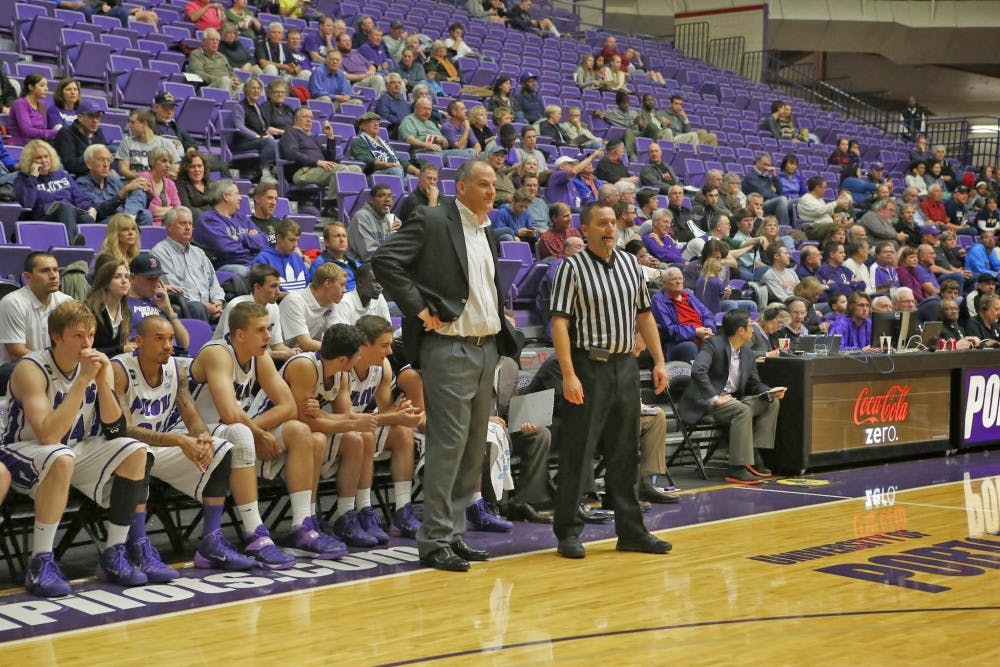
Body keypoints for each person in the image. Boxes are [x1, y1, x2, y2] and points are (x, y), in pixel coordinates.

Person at [373, 160, 520, 572]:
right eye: (484, 185)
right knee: (448, 446)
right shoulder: (433, 219)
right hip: (449, 349)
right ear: (462, 188)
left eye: (495, 186)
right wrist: (420, 310)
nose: (493, 192)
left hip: (484, 348)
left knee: (474, 448)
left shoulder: (486, 231)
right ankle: (434, 538)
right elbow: (385, 261)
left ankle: (454, 534)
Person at [544, 201, 671, 558]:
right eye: (601, 223)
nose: (609, 229)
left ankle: (630, 530)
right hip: (588, 365)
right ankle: (568, 531)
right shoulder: (570, 268)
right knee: (578, 451)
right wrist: (568, 373)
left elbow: (645, 316)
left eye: (613, 223)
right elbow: (559, 323)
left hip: (625, 367)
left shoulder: (632, 265)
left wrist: (659, 361)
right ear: (584, 230)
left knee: (624, 452)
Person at [0, 301, 151, 595]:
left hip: (72, 450)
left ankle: (114, 553)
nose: (87, 343)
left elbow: (115, 428)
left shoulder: (97, 365)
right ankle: (40, 562)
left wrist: (102, 383)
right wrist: (82, 381)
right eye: (78, 336)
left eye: (91, 335)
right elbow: (47, 435)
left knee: (135, 450)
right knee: (60, 455)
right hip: (22, 450)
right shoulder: (31, 369)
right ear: (56, 336)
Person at [111, 315, 257, 575]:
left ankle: (211, 542)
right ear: (138, 341)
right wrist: (179, 440)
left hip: (161, 443)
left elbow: (190, 414)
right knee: (139, 454)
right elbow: (125, 430)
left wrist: (201, 437)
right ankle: (138, 547)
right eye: (159, 339)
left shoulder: (175, 369)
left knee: (220, 450)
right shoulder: (119, 370)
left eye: (170, 339)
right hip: (121, 449)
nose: (168, 345)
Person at [677, 309, 786, 485]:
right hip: (707, 402)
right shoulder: (713, 344)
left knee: (771, 402)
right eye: (751, 326)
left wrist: (770, 391)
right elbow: (698, 370)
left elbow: (754, 383)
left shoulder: (748, 353)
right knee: (742, 410)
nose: (754, 329)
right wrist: (715, 398)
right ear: (740, 330)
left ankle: (753, 455)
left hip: (733, 400)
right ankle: (737, 468)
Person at [341, 316, 424, 541]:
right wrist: (395, 416)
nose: (389, 352)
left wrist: (404, 416)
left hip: (359, 426)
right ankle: (361, 511)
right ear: (364, 345)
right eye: (384, 346)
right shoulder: (344, 367)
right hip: (334, 427)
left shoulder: (383, 367)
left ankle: (403, 510)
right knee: (363, 434)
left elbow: (386, 412)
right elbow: (343, 416)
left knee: (402, 433)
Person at [278, 107, 363, 216]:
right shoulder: (290, 133)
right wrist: (316, 162)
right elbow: (291, 153)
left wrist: (330, 137)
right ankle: (329, 207)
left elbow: (330, 160)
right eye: (305, 117)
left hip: (318, 170)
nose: (309, 120)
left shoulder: (313, 138)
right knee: (340, 170)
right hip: (302, 172)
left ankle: (349, 208)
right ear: (296, 119)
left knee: (356, 169)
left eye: (311, 118)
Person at [12, 140, 94, 244]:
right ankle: (71, 245)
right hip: (42, 218)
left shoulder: (63, 175)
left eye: (46, 156)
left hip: (69, 215)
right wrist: (33, 177)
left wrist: (90, 208)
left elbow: (79, 198)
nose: (44, 160)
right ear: (29, 161)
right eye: (38, 158)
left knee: (87, 218)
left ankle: (87, 251)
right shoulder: (22, 179)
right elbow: (27, 205)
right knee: (64, 207)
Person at [152, 207, 225, 323]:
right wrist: (205, 306)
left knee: (236, 306)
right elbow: (175, 288)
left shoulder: (199, 253)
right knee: (197, 307)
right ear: (169, 227)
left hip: (209, 306)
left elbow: (213, 282)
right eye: (182, 223)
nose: (188, 227)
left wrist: (218, 301)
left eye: (190, 224)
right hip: (187, 305)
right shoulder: (160, 252)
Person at [0, 253, 72, 366]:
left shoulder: (67, 302)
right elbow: (16, 352)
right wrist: (54, 364)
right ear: (28, 277)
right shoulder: (12, 303)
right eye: (45, 271)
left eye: (55, 270)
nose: (53, 275)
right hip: (19, 367)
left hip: (54, 365)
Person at [192, 180, 268, 278]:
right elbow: (226, 249)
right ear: (226, 196)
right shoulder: (209, 220)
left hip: (252, 263)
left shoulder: (242, 218)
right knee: (249, 272)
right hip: (226, 266)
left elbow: (265, 241)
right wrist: (252, 246)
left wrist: (241, 238)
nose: (240, 198)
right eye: (237, 194)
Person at [651, 266, 717, 362]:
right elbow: (669, 330)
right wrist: (695, 332)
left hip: (703, 335)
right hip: (678, 343)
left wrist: (708, 329)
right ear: (664, 283)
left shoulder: (688, 294)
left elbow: (707, 314)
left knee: (719, 343)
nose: (679, 282)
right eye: (674, 279)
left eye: (680, 278)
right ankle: (695, 375)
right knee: (691, 347)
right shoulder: (658, 299)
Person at [279, 262, 347, 352]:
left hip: (306, 355)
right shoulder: (294, 301)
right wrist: (341, 350)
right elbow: (305, 344)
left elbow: (335, 337)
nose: (345, 290)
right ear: (328, 283)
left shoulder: (332, 301)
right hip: (281, 356)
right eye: (342, 285)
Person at [86, 259, 134, 357]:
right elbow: (86, 350)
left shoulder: (126, 312)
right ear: (105, 282)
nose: (124, 281)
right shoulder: (90, 311)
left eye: (127, 277)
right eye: (117, 277)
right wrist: (121, 349)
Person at [116, 109, 181, 180]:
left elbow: (175, 169)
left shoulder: (165, 143)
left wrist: (155, 179)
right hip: (136, 183)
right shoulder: (127, 143)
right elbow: (124, 170)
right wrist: (144, 177)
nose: (129, 126)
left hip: (160, 184)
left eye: (132, 123)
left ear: (144, 124)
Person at [231, 78, 278, 176]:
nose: (256, 91)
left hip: (258, 140)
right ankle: (265, 172)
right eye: (253, 88)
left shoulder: (257, 106)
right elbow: (239, 127)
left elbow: (264, 128)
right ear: (247, 90)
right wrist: (257, 136)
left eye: (258, 88)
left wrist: (278, 133)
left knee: (279, 141)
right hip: (243, 142)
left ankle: (277, 172)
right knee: (268, 142)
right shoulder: (239, 106)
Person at [350, 111, 418, 178]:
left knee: (415, 178)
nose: (376, 124)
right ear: (363, 126)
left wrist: (417, 171)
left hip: (393, 171)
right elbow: (368, 160)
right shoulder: (359, 142)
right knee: (395, 171)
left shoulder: (384, 143)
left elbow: (399, 160)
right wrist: (389, 164)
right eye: (372, 122)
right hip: (373, 174)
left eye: (377, 122)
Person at [52, 98, 107, 178]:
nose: (95, 121)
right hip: (77, 178)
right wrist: (95, 159)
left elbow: (103, 157)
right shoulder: (65, 133)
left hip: (95, 174)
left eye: (98, 117)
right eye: (91, 116)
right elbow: (70, 165)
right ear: (80, 117)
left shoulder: (98, 132)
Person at [253, 218, 308, 294]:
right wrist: (298, 297)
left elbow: (308, 286)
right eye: (291, 240)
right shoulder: (264, 259)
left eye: (297, 240)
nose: (295, 245)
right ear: (279, 238)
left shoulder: (297, 257)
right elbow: (265, 293)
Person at [349, 185, 400, 263]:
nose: (387, 199)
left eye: (390, 196)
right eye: (381, 196)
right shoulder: (362, 217)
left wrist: (402, 232)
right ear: (371, 200)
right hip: (362, 266)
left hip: (385, 262)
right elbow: (368, 254)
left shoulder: (393, 219)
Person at [188, 28, 243, 98]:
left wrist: (236, 80)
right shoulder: (196, 54)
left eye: (217, 40)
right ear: (204, 41)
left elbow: (231, 72)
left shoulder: (221, 56)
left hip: (228, 83)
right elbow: (198, 74)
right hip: (208, 87)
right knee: (225, 80)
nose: (215, 42)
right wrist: (221, 80)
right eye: (212, 39)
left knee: (248, 86)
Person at [6, 74, 57, 146]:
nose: (46, 89)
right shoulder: (20, 104)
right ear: (31, 87)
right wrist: (54, 132)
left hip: (38, 144)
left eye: (46, 86)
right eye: (42, 85)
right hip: (21, 145)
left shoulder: (42, 104)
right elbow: (27, 131)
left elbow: (44, 128)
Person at [743, 152, 791, 228]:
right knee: (782, 200)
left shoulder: (767, 177)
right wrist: (774, 193)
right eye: (764, 164)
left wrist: (774, 175)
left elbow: (780, 191)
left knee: (797, 201)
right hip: (761, 203)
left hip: (771, 201)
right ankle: (784, 229)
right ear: (757, 162)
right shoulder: (750, 177)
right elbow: (763, 194)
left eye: (768, 165)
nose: (767, 168)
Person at [175, 151, 214, 223]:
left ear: (204, 168)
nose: (197, 170)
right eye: (192, 167)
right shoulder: (180, 184)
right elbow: (186, 208)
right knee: (197, 213)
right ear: (186, 169)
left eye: (199, 166)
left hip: (214, 220)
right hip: (195, 222)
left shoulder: (211, 184)